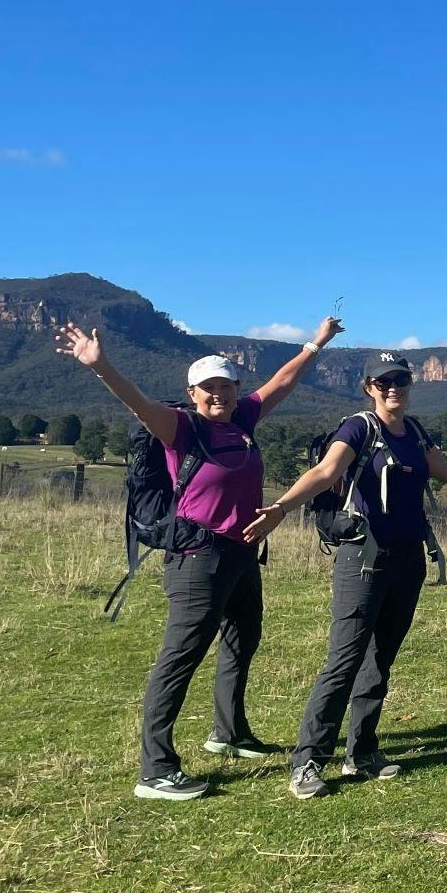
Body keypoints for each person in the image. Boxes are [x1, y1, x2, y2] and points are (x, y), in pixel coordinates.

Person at [53, 313, 342, 799]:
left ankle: (228, 733)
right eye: (208, 388)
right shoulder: (183, 428)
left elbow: (282, 382)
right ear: (192, 393)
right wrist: (101, 366)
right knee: (181, 656)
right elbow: (138, 403)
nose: (218, 395)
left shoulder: (242, 419)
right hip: (197, 557)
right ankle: (156, 769)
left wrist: (317, 342)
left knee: (242, 639)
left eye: (226, 387)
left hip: (242, 552)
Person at [244, 350, 447, 798]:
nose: (393, 387)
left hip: (408, 560)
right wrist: (280, 508)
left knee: (380, 660)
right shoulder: (360, 428)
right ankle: (308, 761)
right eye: (383, 382)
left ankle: (362, 751)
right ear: (369, 388)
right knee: (344, 661)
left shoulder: (414, 431)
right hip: (362, 559)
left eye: (400, 380)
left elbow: (438, 468)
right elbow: (326, 472)